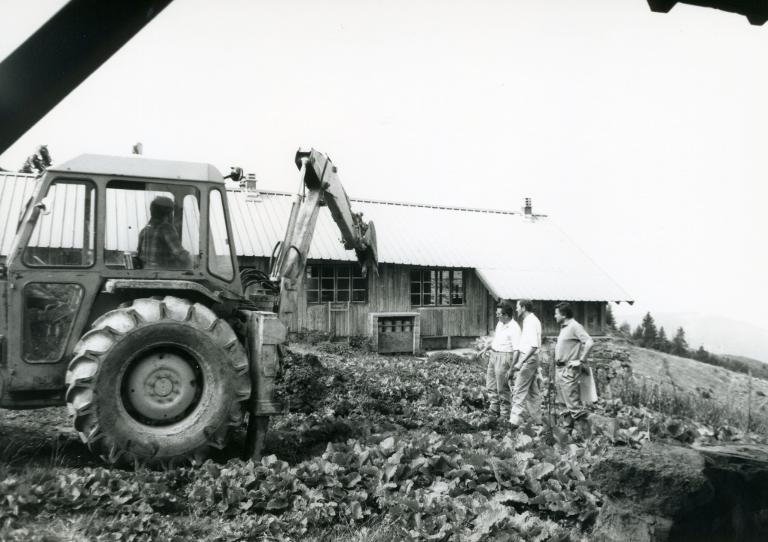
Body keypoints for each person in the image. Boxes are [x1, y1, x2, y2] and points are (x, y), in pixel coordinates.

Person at [554, 301, 594, 434]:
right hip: (560, 370)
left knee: (573, 406)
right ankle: (566, 433)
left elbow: (589, 342)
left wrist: (581, 360)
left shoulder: (575, 326)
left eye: (556, 313)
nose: (555, 316)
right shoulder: (564, 327)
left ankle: (589, 437)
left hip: (568, 371)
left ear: (564, 314)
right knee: (563, 405)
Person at [480, 300, 521, 420]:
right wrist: (486, 348)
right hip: (494, 355)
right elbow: (496, 340)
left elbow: (517, 350)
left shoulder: (514, 328)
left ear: (506, 315)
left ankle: (504, 415)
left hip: (505, 357)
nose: (496, 315)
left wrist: (512, 368)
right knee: (490, 384)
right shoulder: (500, 324)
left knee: (502, 388)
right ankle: (494, 410)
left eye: (499, 314)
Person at [509, 299, 543, 428]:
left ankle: (513, 423)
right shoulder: (529, 321)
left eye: (518, 307)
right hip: (531, 359)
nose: (516, 309)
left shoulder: (531, 322)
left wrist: (520, 362)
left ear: (523, 308)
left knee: (519, 389)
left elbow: (533, 346)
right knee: (533, 392)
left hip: (528, 359)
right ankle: (538, 422)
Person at [137, 196, 191, 269]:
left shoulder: (144, 230)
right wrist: (193, 262)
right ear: (168, 214)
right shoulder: (166, 229)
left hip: (147, 272)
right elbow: (179, 253)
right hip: (164, 273)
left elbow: (139, 254)